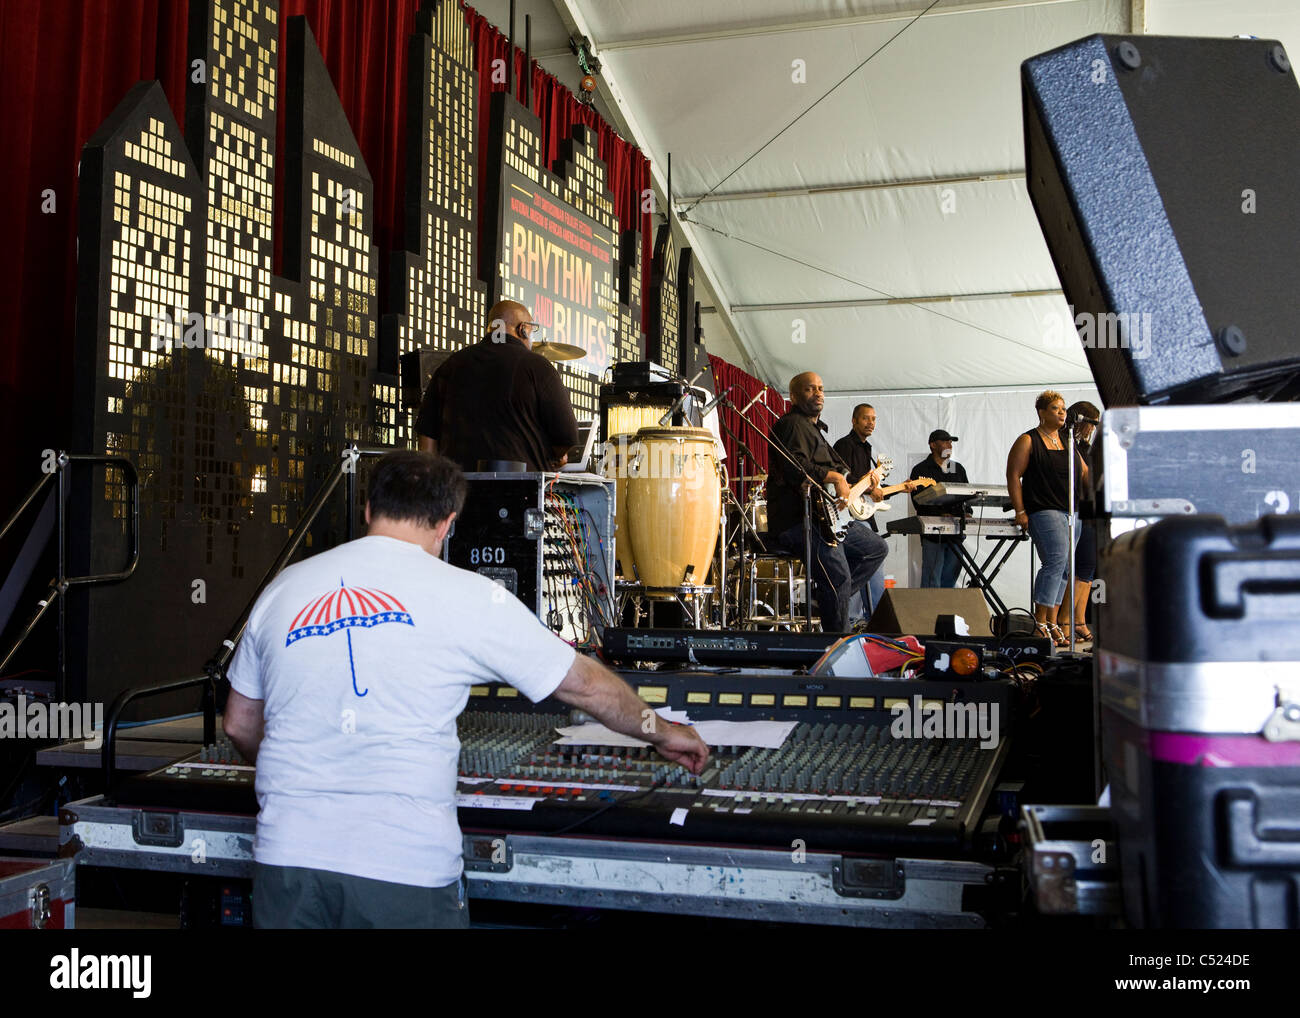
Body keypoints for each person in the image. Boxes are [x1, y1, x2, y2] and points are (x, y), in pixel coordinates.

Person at [222, 450, 710, 928]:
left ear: (368, 510)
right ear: (447, 523)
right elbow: (585, 686)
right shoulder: (469, 597)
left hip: (285, 864)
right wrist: (662, 731)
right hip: (404, 871)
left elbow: (240, 725)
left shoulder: (286, 587)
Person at [766, 373, 888, 632]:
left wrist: (863, 482)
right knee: (839, 576)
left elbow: (839, 473)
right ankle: (837, 647)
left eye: (821, 388)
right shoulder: (791, 425)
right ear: (795, 397)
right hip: (799, 521)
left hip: (826, 518)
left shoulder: (815, 430)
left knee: (875, 548)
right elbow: (794, 468)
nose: (818, 393)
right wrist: (832, 476)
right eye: (810, 389)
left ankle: (828, 597)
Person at [415, 299, 579, 471]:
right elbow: (566, 435)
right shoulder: (537, 366)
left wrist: (433, 479)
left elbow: (427, 435)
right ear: (522, 329)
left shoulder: (450, 365)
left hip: (459, 487)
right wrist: (557, 456)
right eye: (531, 330)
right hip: (522, 488)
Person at [1006, 391, 1090, 648]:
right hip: (1044, 510)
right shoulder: (1028, 440)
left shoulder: (1067, 440)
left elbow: (1084, 473)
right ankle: (1039, 620)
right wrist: (1020, 511)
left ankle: (1052, 621)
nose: (1062, 413)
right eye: (1055, 408)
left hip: (1071, 511)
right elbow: (1013, 475)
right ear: (1041, 412)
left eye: (1063, 408)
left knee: (1067, 566)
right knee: (1054, 561)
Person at [833, 403, 915, 619]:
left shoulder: (867, 449)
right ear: (854, 420)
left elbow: (875, 494)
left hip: (862, 515)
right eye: (865, 418)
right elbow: (843, 479)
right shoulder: (844, 445)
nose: (871, 423)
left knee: (867, 570)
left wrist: (900, 488)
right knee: (869, 564)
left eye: (874, 419)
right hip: (848, 516)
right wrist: (870, 488)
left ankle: (867, 619)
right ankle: (864, 619)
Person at [1054, 400, 1101, 643]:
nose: (1093, 429)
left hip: (1090, 509)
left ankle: (1079, 620)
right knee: (1073, 568)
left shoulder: (1084, 446)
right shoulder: (1066, 442)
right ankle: (1065, 620)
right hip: (1074, 510)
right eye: (1091, 424)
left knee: (1088, 569)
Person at [908, 430, 969, 588]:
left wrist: (967, 512)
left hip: (956, 531)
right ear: (933, 445)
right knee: (932, 575)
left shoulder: (958, 468)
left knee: (951, 576)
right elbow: (918, 502)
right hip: (933, 532)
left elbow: (967, 495)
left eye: (951, 442)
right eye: (945, 441)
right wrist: (942, 513)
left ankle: (945, 608)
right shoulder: (920, 470)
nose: (949, 445)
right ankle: (928, 610)